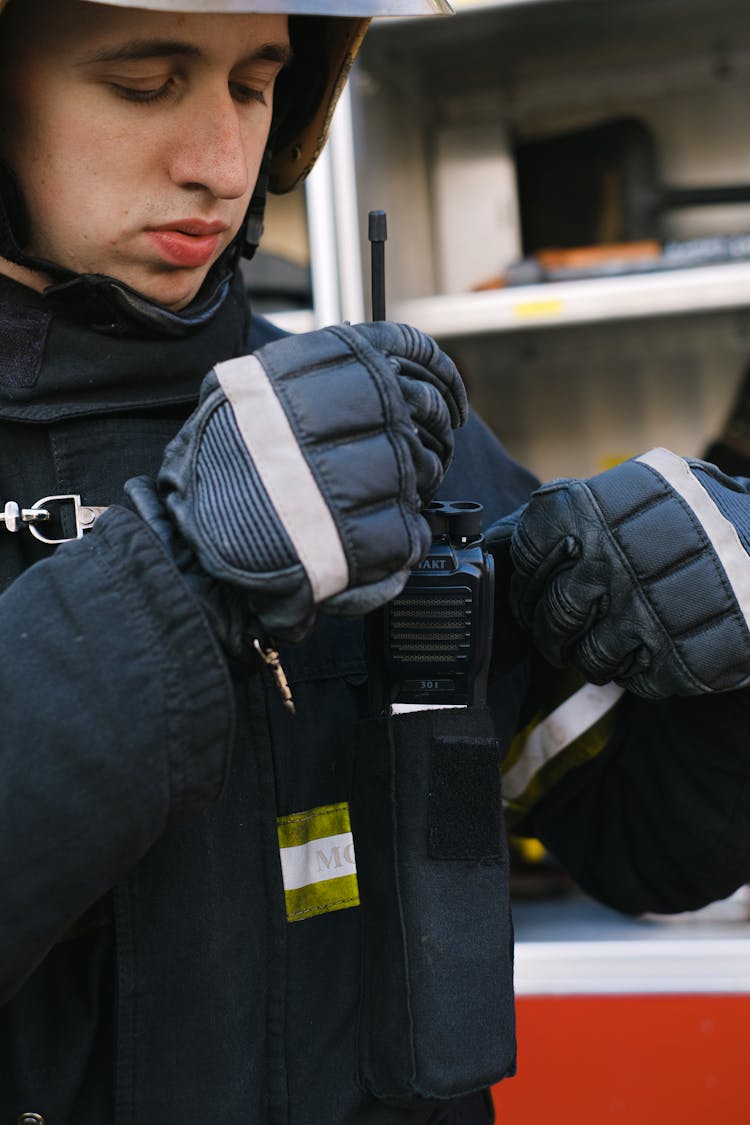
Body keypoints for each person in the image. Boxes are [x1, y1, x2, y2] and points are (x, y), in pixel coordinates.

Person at [2, 2, 750, 1123]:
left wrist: (720, 655)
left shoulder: (360, 431)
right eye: (146, 84)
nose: (220, 162)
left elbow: (651, 849)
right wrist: (176, 580)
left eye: (256, 85)